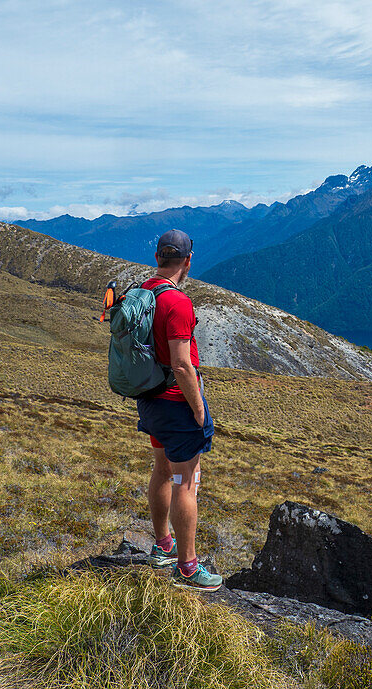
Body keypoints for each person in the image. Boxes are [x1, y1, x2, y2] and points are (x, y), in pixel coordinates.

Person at [136, 229, 222, 591]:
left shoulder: (141, 294)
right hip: (176, 403)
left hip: (149, 398)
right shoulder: (177, 302)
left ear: (158, 257)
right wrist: (199, 408)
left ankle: (162, 546)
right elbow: (183, 364)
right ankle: (187, 568)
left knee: (161, 469)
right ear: (187, 261)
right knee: (187, 481)